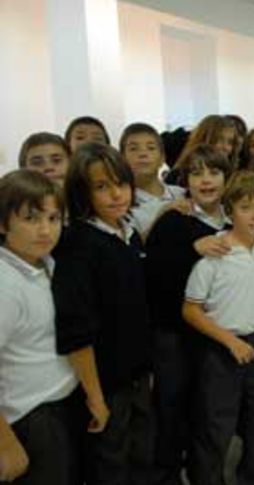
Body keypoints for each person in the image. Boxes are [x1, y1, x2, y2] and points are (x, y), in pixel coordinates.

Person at [53, 143, 155, 484]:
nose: (116, 194)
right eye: (101, 187)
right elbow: (76, 331)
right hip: (106, 381)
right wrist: (95, 397)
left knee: (141, 453)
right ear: (83, 193)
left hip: (136, 372)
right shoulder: (77, 245)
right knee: (110, 462)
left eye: (121, 184)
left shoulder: (128, 234)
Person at [182, 171, 254, 485]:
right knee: (216, 427)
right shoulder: (214, 255)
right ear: (230, 212)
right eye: (245, 208)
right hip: (221, 349)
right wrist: (230, 342)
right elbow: (190, 310)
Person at [144, 145, 234, 485]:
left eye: (213, 172)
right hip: (174, 334)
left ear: (227, 178)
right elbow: (153, 271)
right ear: (187, 181)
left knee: (208, 410)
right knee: (171, 407)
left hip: (216, 333)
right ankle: (168, 474)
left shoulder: (232, 219)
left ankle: (205, 474)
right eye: (197, 173)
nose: (206, 180)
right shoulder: (173, 219)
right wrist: (191, 249)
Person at [0, 170, 83, 484]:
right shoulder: (5, 283)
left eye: (53, 217)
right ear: (3, 223)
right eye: (31, 218)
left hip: (62, 404)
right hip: (28, 417)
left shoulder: (45, 265)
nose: (45, 229)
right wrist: (6, 444)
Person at [119, 123, 187, 236]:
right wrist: (162, 215)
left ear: (162, 158)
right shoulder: (120, 204)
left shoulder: (183, 193)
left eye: (151, 148)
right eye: (133, 149)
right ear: (122, 159)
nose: (143, 154)